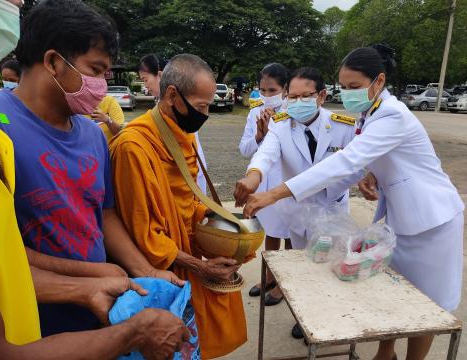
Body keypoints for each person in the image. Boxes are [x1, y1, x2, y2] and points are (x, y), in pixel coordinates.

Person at [0, 1, 188, 358]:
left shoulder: (93, 134)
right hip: (31, 323)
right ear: (52, 62)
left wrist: (145, 271)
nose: (101, 85)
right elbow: (2, 252)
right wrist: (93, 274)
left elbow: (103, 214)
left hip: (102, 310)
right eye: (95, 70)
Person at [241, 45, 464, 360]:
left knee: (427, 304)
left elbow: (346, 161)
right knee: (396, 293)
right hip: (400, 219)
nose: (347, 94)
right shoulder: (368, 114)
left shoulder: (392, 114)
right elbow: (357, 167)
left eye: (354, 87)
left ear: (379, 81)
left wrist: (275, 193)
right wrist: (367, 175)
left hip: (432, 220)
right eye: (343, 88)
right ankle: (385, 354)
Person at [110, 54, 247, 359]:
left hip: (185, 250)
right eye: (201, 106)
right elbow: (143, 232)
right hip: (159, 272)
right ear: (172, 95)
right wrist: (199, 265)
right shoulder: (135, 146)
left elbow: (188, 201)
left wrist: (222, 230)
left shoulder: (180, 134)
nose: (206, 113)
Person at [236, 66, 359, 340]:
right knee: (302, 269)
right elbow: (265, 154)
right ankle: (304, 317)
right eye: (292, 97)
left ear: (321, 95)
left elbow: (356, 167)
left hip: (332, 213)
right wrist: (253, 177)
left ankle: (327, 317)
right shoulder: (280, 124)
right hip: (297, 213)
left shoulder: (343, 126)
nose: (297, 102)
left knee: (331, 270)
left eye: (306, 96)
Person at [239, 63, 291, 306]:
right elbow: (245, 148)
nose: (267, 96)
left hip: (286, 184)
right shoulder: (254, 113)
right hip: (264, 182)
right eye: (263, 90)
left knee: (291, 234)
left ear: (285, 89)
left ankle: (286, 283)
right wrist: (259, 135)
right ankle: (270, 277)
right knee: (270, 231)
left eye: (273, 90)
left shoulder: (294, 111)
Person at [139, 53, 209, 193]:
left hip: (189, 174)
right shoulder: (162, 104)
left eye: (145, 80)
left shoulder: (177, 105)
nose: (146, 86)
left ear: (160, 75)